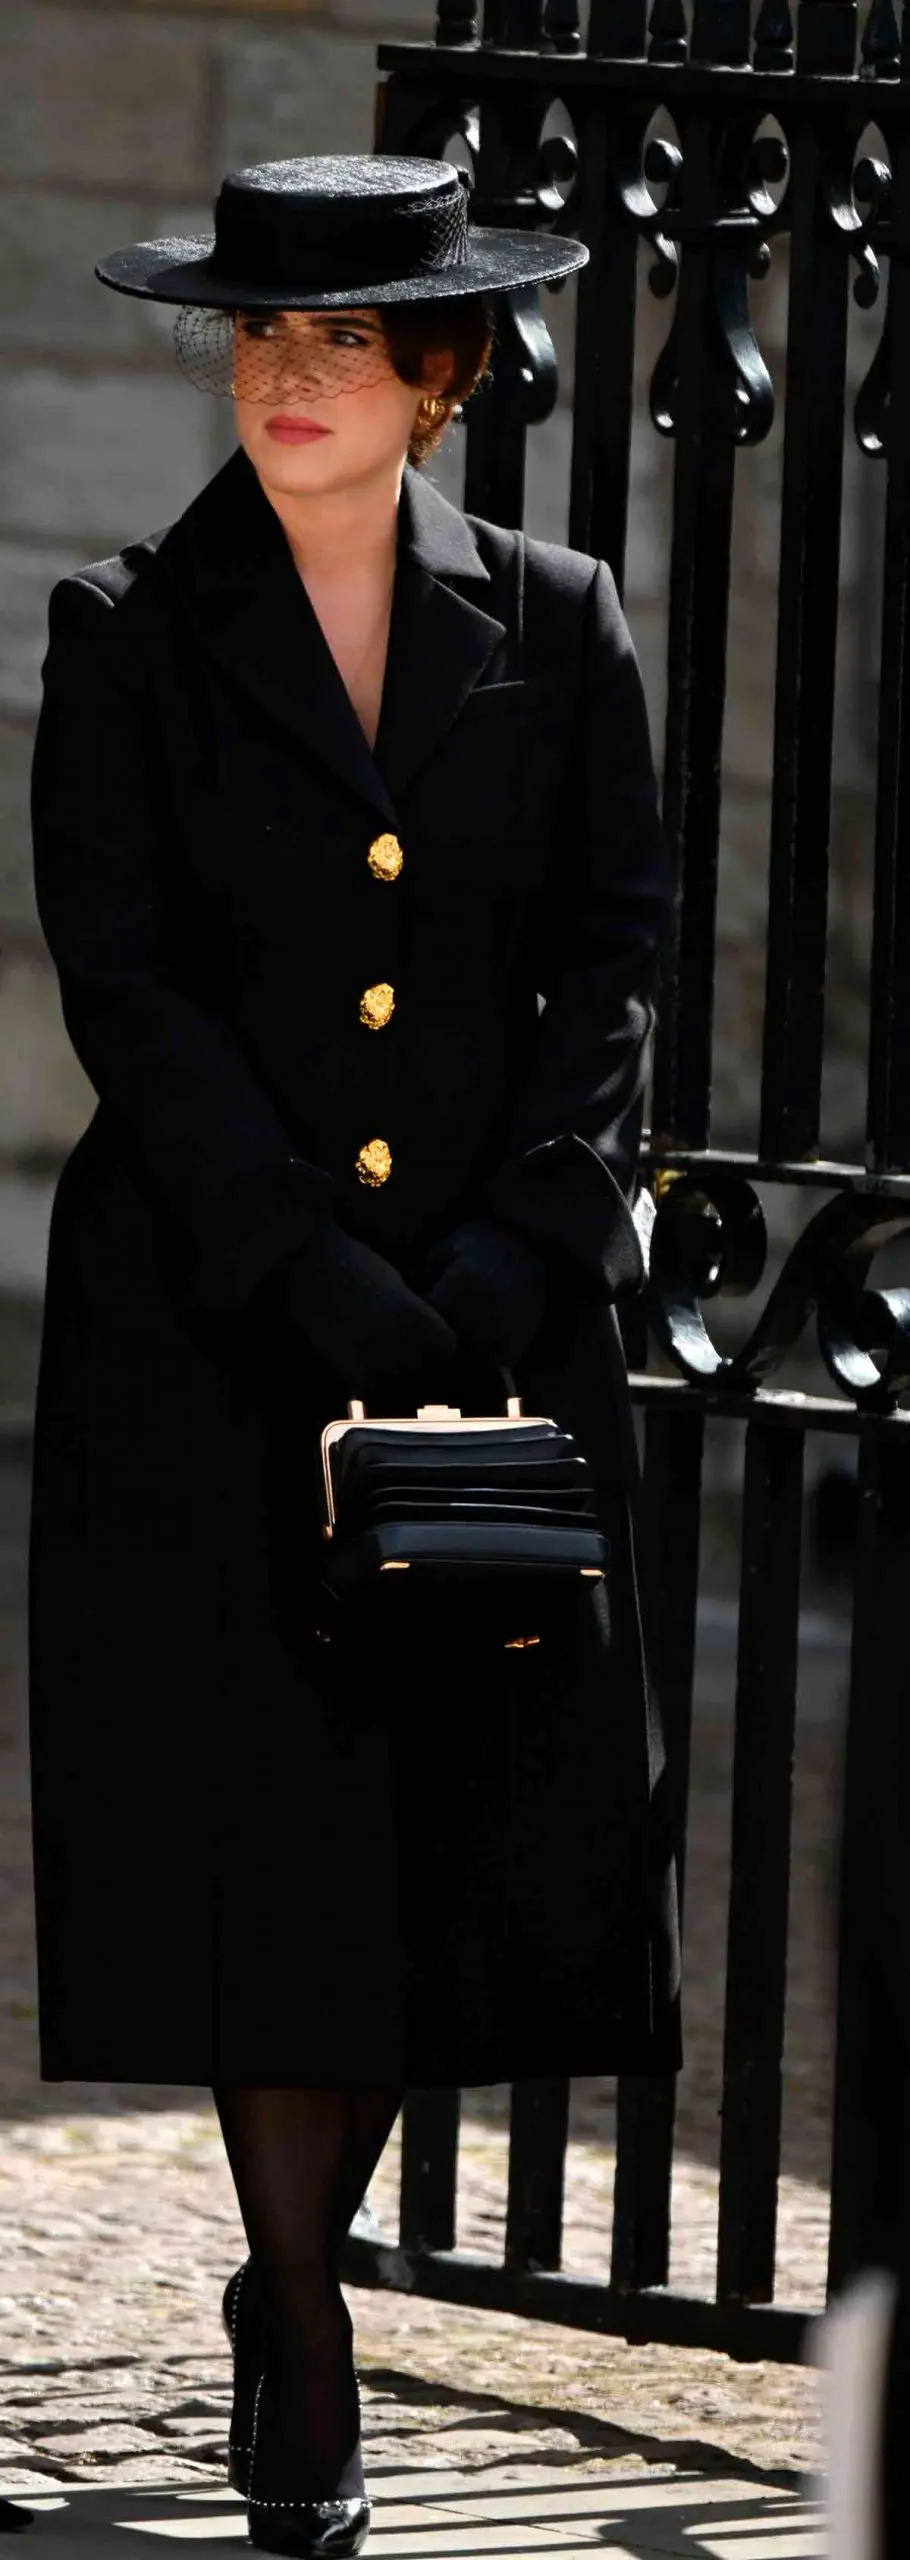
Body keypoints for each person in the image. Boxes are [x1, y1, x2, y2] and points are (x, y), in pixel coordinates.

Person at [27, 155, 681, 2557]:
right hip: (213, 1343)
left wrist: (519, 1255)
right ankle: (301, 2324)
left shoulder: (565, 617)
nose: (283, 377)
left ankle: (292, 2277)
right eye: (258, 338)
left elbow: (606, 959)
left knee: (435, 1851)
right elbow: (131, 989)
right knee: (265, 1851)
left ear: (440, 374)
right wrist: (315, 1272)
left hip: (496, 1335)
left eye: (336, 344)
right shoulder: (129, 627)